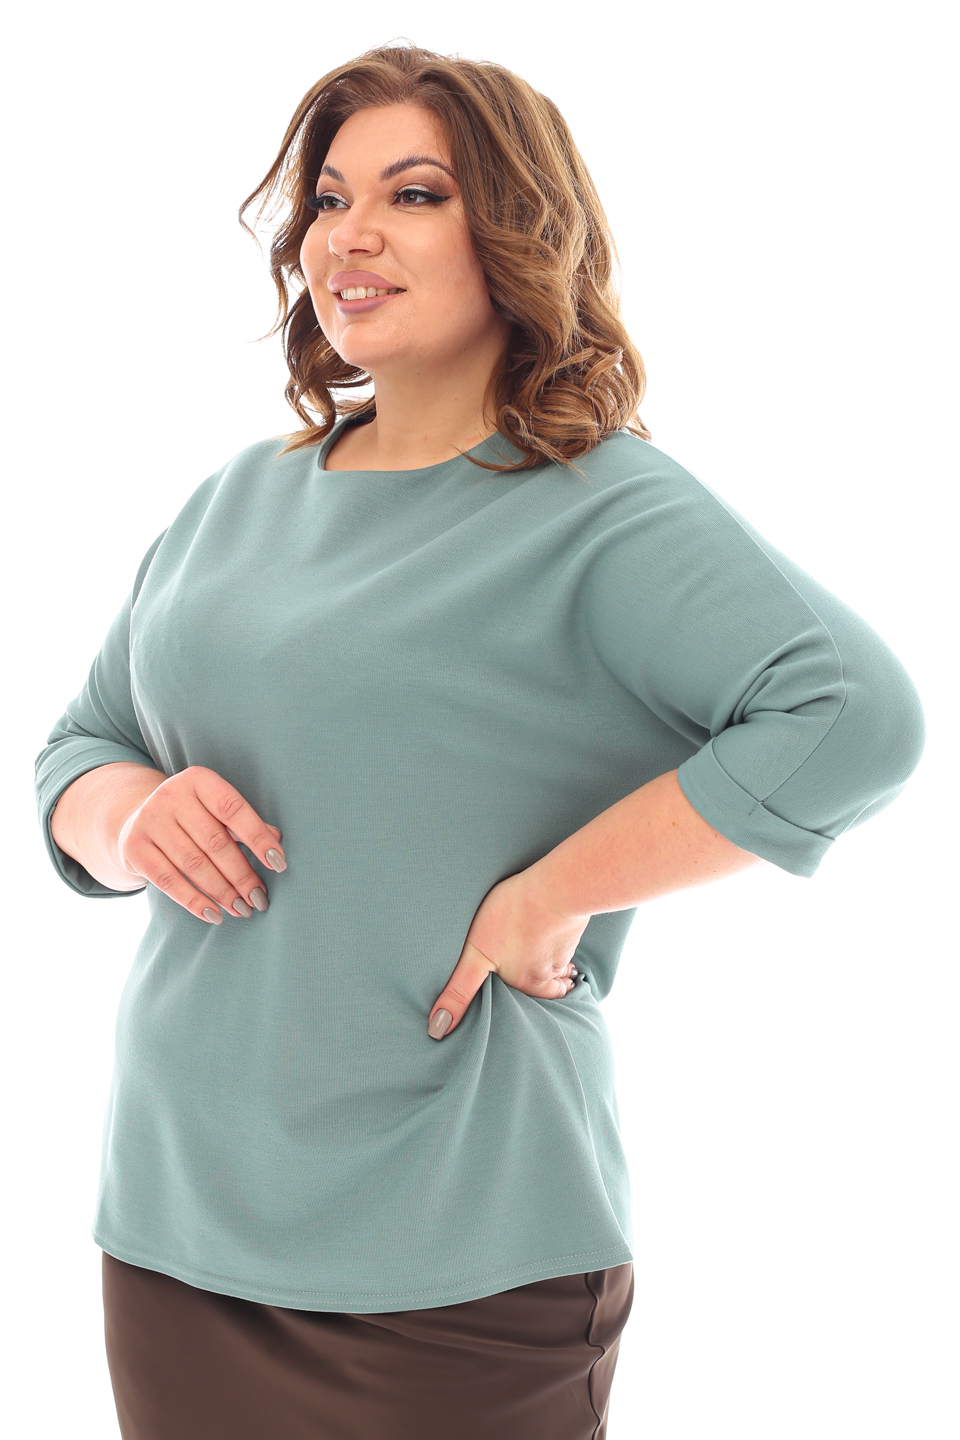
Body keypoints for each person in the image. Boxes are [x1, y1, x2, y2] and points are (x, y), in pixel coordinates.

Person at [33, 40, 925, 1440]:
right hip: (175, 1227)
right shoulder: (236, 498)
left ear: (514, 230)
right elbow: (80, 744)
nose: (351, 235)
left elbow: (854, 717)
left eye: (415, 193)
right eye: (329, 199)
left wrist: (555, 894)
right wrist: (128, 814)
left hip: (459, 1251)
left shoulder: (599, 505)